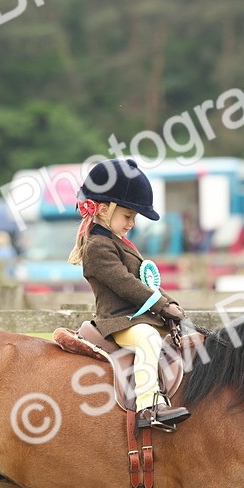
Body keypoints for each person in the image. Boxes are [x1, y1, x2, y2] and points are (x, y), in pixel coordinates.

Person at [69, 158, 190, 430]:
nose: (132, 223)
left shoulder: (120, 243)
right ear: (103, 210)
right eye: (128, 216)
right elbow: (126, 284)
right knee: (147, 339)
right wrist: (160, 305)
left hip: (139, 316)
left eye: (133, 218)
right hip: (119, 321)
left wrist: (170, 303)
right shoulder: (98, 248)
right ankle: (149, 407)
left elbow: (146, 280)